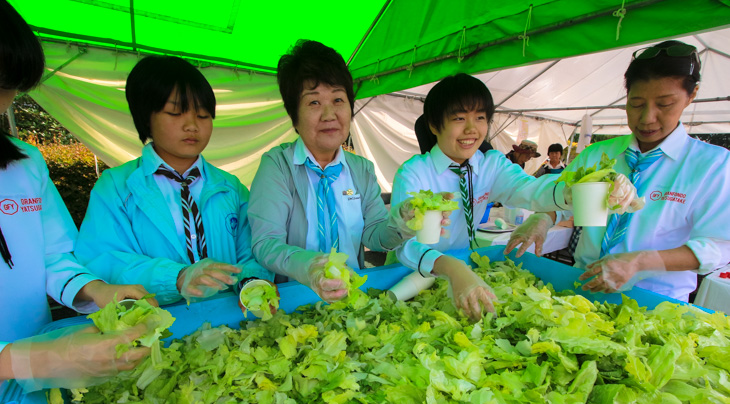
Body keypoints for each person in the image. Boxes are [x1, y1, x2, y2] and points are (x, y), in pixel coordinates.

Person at [391, 73, 640, 319]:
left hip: (460, 274)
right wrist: (451, 268)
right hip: (408, 277)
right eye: (458, 118)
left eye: (480, 118)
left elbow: (530, 190)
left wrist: (579, 188)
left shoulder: (490, 165)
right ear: (434, 125)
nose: (471, 128)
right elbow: (403, 244)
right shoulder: (413, 172)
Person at [0, 0, 155, 391]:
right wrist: (45, 357)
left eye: (7, 89)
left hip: (33, 376)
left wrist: (99, 291)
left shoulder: (25, 162)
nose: (4, 102)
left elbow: (52, 256)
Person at [506, 40, 730, 301]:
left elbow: (719, 244)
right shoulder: (598, 155)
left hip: (654, 300)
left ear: (691, 96)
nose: (647, 117)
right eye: (636, 104)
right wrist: (541, 219)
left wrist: (641, 262)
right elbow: (564, 203)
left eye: (665, 104)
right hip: (581, 288)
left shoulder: (712, 165)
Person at [75, 55, 272, 306]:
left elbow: (252, 250)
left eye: (202, 115)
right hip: (153, 324)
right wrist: (175, 278)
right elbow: (104, 260)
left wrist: (251, 282)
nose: (192, 125)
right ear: (147, 117)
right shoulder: (115, 188)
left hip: (231, 318)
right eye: (175, 113)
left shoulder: (230, 187)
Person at [247, 40, 429, 302]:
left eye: (338, 99)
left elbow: (375, 235)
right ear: (293, 114)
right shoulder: (278, 165)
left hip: (353, 297)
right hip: (297, 301)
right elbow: (266, 244)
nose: (329, 114)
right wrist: (309, 267)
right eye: (314, 103)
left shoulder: (361, 169)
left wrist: (404, 225)